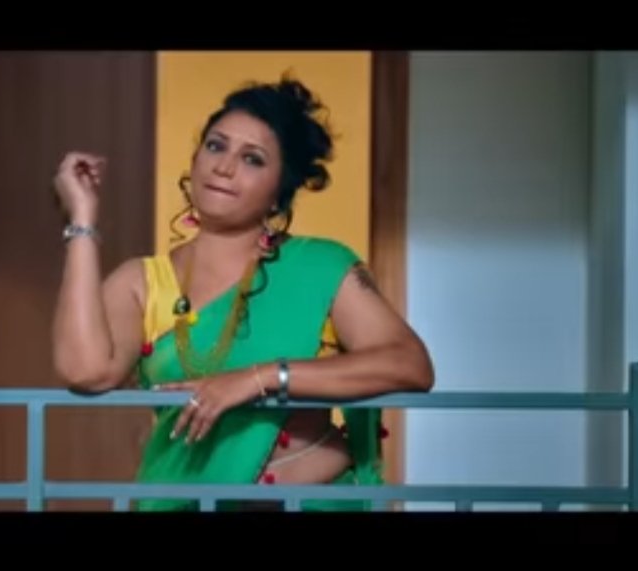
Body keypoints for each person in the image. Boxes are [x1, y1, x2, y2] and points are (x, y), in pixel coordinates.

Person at [50, 75, 434, 511]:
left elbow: (410, 364)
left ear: (278, 193)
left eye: (252, 159)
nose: (224, 167)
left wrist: (259, 379)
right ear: (195, 159)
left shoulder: (321, 267)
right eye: (216, 146)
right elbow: (85, 371)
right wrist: (82, 218)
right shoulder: (142, 281)